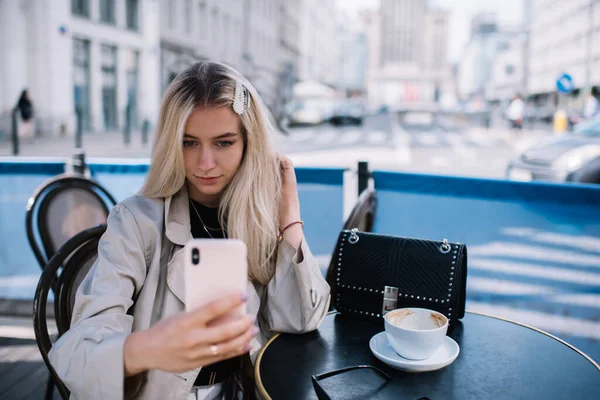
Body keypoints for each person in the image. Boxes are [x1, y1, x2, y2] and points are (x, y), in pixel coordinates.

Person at [49, 61, 331, 400]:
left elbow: (303, 320)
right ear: (170, 144)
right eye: (189, 143)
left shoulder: (257, 217)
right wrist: (147, 348)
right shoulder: (135, 222)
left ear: (248, 143)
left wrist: (290, 218)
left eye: (224, 143)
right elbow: (76, 353)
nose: (205, 163)